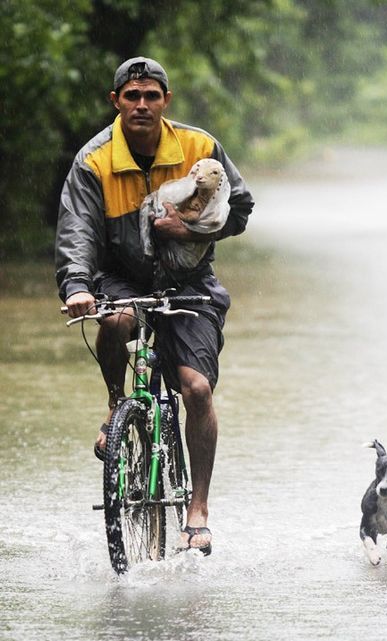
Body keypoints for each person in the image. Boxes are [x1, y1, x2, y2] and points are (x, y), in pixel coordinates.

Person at [55, 56, 254, 555]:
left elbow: (242, 208)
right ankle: (115, 403)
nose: (141, 105)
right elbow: (77, 229)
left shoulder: (199, 147)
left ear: (166, 101)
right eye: (132, 96)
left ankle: (199, 511)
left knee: (198, 389)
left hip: (190, 281)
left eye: (151, 96)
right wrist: (77, 285)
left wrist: (187, 229)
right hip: (120, 276)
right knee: (117, 318)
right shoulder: (93, 160)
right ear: (116, 101)